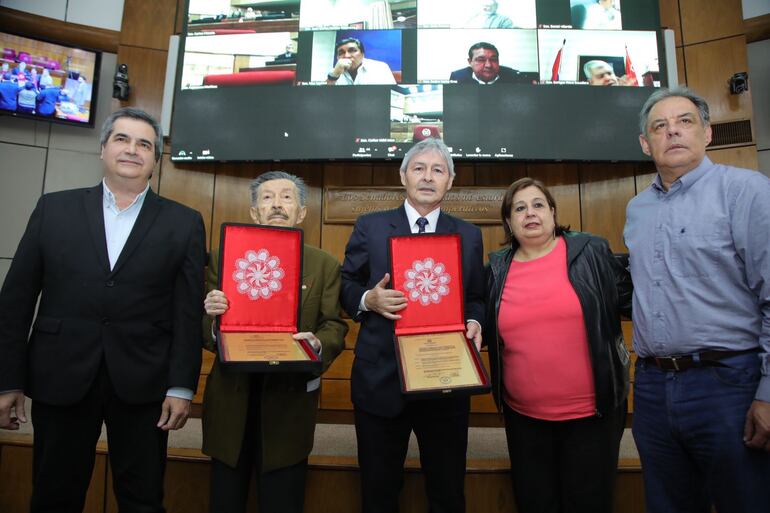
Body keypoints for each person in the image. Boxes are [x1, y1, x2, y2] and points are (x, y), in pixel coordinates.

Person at [0, 107, 206, 513]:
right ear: (103, 149)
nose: (133, 150)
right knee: (54, 494)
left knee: (143, 497)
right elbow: (16, 301)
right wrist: (8, 380)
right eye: (122, 139)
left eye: (144, 144)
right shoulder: (53, 209)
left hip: (144, 382)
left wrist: (181, 386)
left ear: (155, 160)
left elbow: (186, 312)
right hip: (60, 374)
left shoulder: (184, 223)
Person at [624, 86, 770, 512]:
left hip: (728, 384)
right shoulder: (637, 210)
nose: (672, 132)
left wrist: (768, 393)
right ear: (645, 143)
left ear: (706, 133)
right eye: (660, 126)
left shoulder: (748, 192)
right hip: (652, 386)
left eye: (684, 121)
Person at [340, 137, 484, 513]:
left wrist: (474, 320)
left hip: (445, 380)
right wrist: (367, 299)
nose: (427, 177)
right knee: (378, 490)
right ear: (403, 175)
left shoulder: (468, 235)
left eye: (438, 170)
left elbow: (477, 297)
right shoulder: (370, 227)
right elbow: (345, 284)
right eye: (419, 168)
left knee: (448, 489)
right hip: (380, 381)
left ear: (450, 181)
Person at [202, 171, 348, 513]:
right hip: (231, 400)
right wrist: (213, 320)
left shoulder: (324, 265)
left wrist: (317, 345)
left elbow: (334, 326)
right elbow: (201, 322)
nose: (277, 205)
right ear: (255, 212)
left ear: (301, 213)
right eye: (267, 198)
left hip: (289, 403)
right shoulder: (222, 257)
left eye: (287, 197)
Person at [485, 177, 631, 513]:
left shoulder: (591, 251)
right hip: (525, 421)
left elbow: (635, 297)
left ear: (552, 212)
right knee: (536, 503)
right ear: (509, 222)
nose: (530, 213)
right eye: (519, 208)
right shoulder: (496, 270)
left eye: (538, 205)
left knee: (588, 504)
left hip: (591, 418)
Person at [450, 42, 534, 85]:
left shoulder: (513, 76)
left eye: (493, 60)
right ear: (470, 62)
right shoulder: (458, 77)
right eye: (481, 60)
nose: (488, 65)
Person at [326, 37, 396, 85]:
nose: (346, 56)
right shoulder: (333, 73)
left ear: (362, 54)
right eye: (341, 53)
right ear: (337, 57)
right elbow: (325, 96)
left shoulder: (380, 67)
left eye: (352, 51)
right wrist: (335, 75)